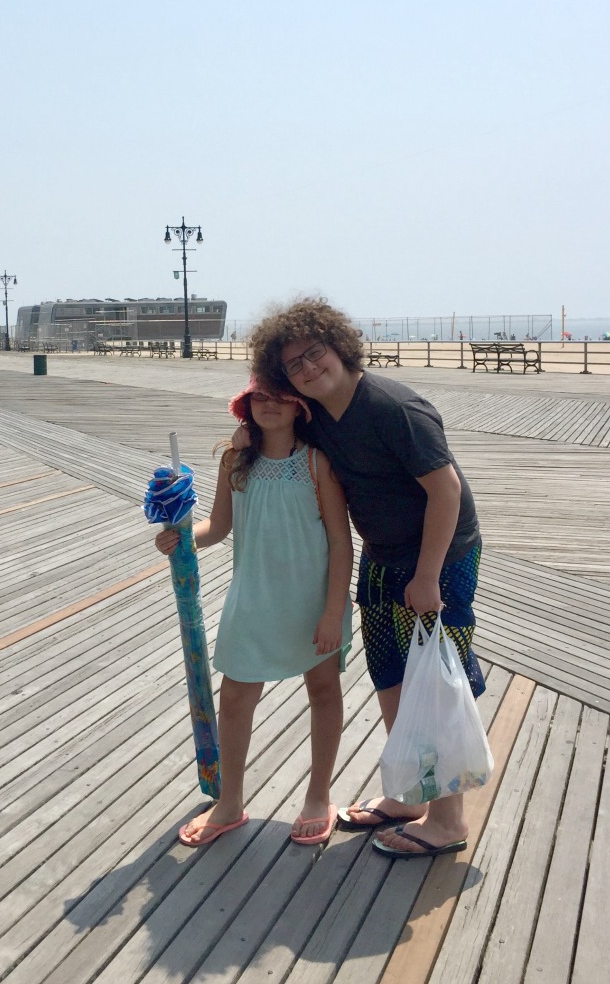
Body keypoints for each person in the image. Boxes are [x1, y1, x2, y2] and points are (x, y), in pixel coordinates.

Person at [246, 297, 485, 860]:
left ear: (340, 347)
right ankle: (411, 796)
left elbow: (445, 491)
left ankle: (447, 821)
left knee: (436, 683)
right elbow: (270, 428)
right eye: (293, 365)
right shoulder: (320, 414)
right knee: (392, 678)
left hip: (439, 556)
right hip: (380, 554)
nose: (307, 368)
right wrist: (243, 443)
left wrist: (427, 576)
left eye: (315, 353)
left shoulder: (394, 408)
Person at [156, 378, 354, 847]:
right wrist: (183, 537)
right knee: (235, 697)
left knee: (324, 690)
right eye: (259, 397)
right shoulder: (234, 461)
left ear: (300, 407)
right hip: (253, 597)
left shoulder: (316, 462)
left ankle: (317, 795)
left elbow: (341, 542)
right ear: (246, 407)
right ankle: (229, 801)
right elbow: (219, 526)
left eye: (280, 397)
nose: (269, 405)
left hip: (313, 600)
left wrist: (332, 612)